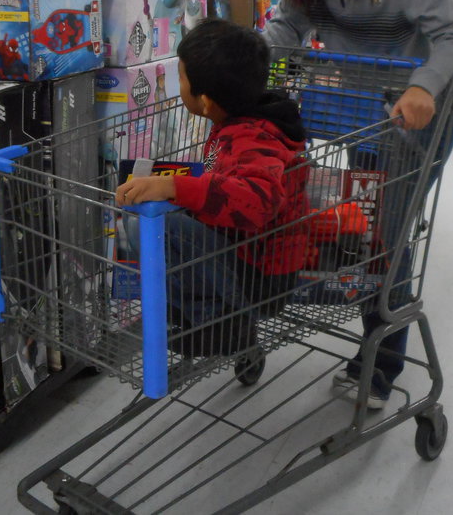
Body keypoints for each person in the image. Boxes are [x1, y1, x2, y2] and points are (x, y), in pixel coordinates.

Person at [261, 0, 453, 408]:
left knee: (390, 234)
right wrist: (241, 60)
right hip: (359, 115)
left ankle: (380, 363)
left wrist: (423, 86)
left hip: (418, 118)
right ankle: (369, 332)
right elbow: (289, 25)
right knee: (368, 225)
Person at [115, 18, 308, 357]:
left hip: (260, 281)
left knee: (152, 225)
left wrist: (175, 187)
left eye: (182, 78)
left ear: (205, 102)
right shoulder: (237, 122)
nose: (179, 84)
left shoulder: (254, 140)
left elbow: (257, 201)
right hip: (241, 255)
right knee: (156, 219)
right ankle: (203, 313)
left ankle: (221, 323)